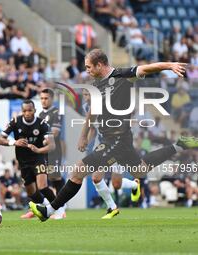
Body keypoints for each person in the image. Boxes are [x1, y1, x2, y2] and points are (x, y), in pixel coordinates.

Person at [29, 48, 198, 221]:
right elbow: (92, 113)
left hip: (116, 138)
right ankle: (179, 144)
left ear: (100, 65)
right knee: (140, 169)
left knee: (78, 171)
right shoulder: (95, 86)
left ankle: (49, 210)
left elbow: (146, 68)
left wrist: (169, 65)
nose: (86, 70)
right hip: (117, 140)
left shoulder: (121, 76)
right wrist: (83, 135)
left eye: (89, 67)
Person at [79, 88, 140, 219]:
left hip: (117, 146)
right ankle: (114, 205)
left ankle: (116, 203)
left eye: (89, 94)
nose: (87, 98)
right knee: (110, 182)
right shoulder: (86, 108)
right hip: (103, 146)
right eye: (85, 95)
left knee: (112, 183)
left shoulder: (107, 105)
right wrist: (87, 143)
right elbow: (93, 129)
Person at [0, 100, 57, 218]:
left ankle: (59, 209)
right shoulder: (15, 122)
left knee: (42, 186)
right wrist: (14, 142)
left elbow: (52, 145)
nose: (27, 113)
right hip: (23, 161)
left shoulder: (42, 124)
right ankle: (44, 208)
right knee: (31, 192)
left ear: (34, 110)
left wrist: (38, 150)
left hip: (38, 157)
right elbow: (0, 139)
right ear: (22, 111)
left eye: (30, 110)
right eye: (24, 111)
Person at [38, 88, 67, 219]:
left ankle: (61, 207)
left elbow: (55, 132)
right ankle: (52, 205)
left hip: (54, 150)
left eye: (46, 98)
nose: (43, 101)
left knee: (54, 177)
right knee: (44, 179)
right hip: (43, 151)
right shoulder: (40, 115)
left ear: (52, 99)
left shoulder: (56, 112)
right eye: (42, 98)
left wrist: (42, 141)